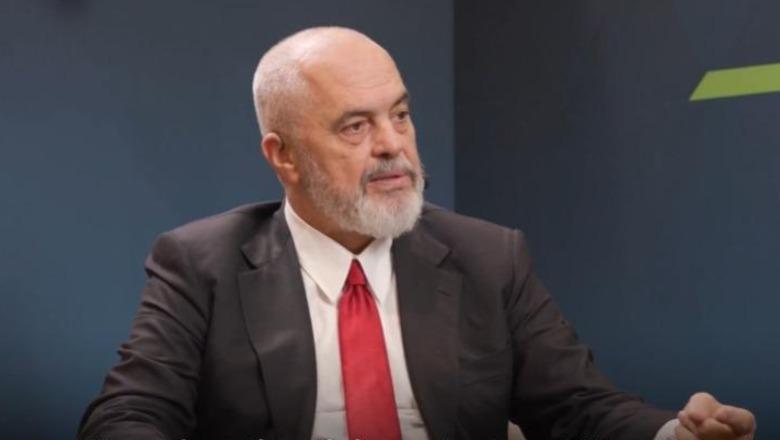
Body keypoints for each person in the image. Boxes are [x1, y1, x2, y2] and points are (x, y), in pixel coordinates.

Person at [78, 27, 756, 440]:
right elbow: (126, 416)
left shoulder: (488, 257)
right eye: (356, 126)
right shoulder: (203, 264)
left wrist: (674, 434)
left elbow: (579, 408)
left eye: (400, 115)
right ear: (283, 156)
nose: (392, 146)